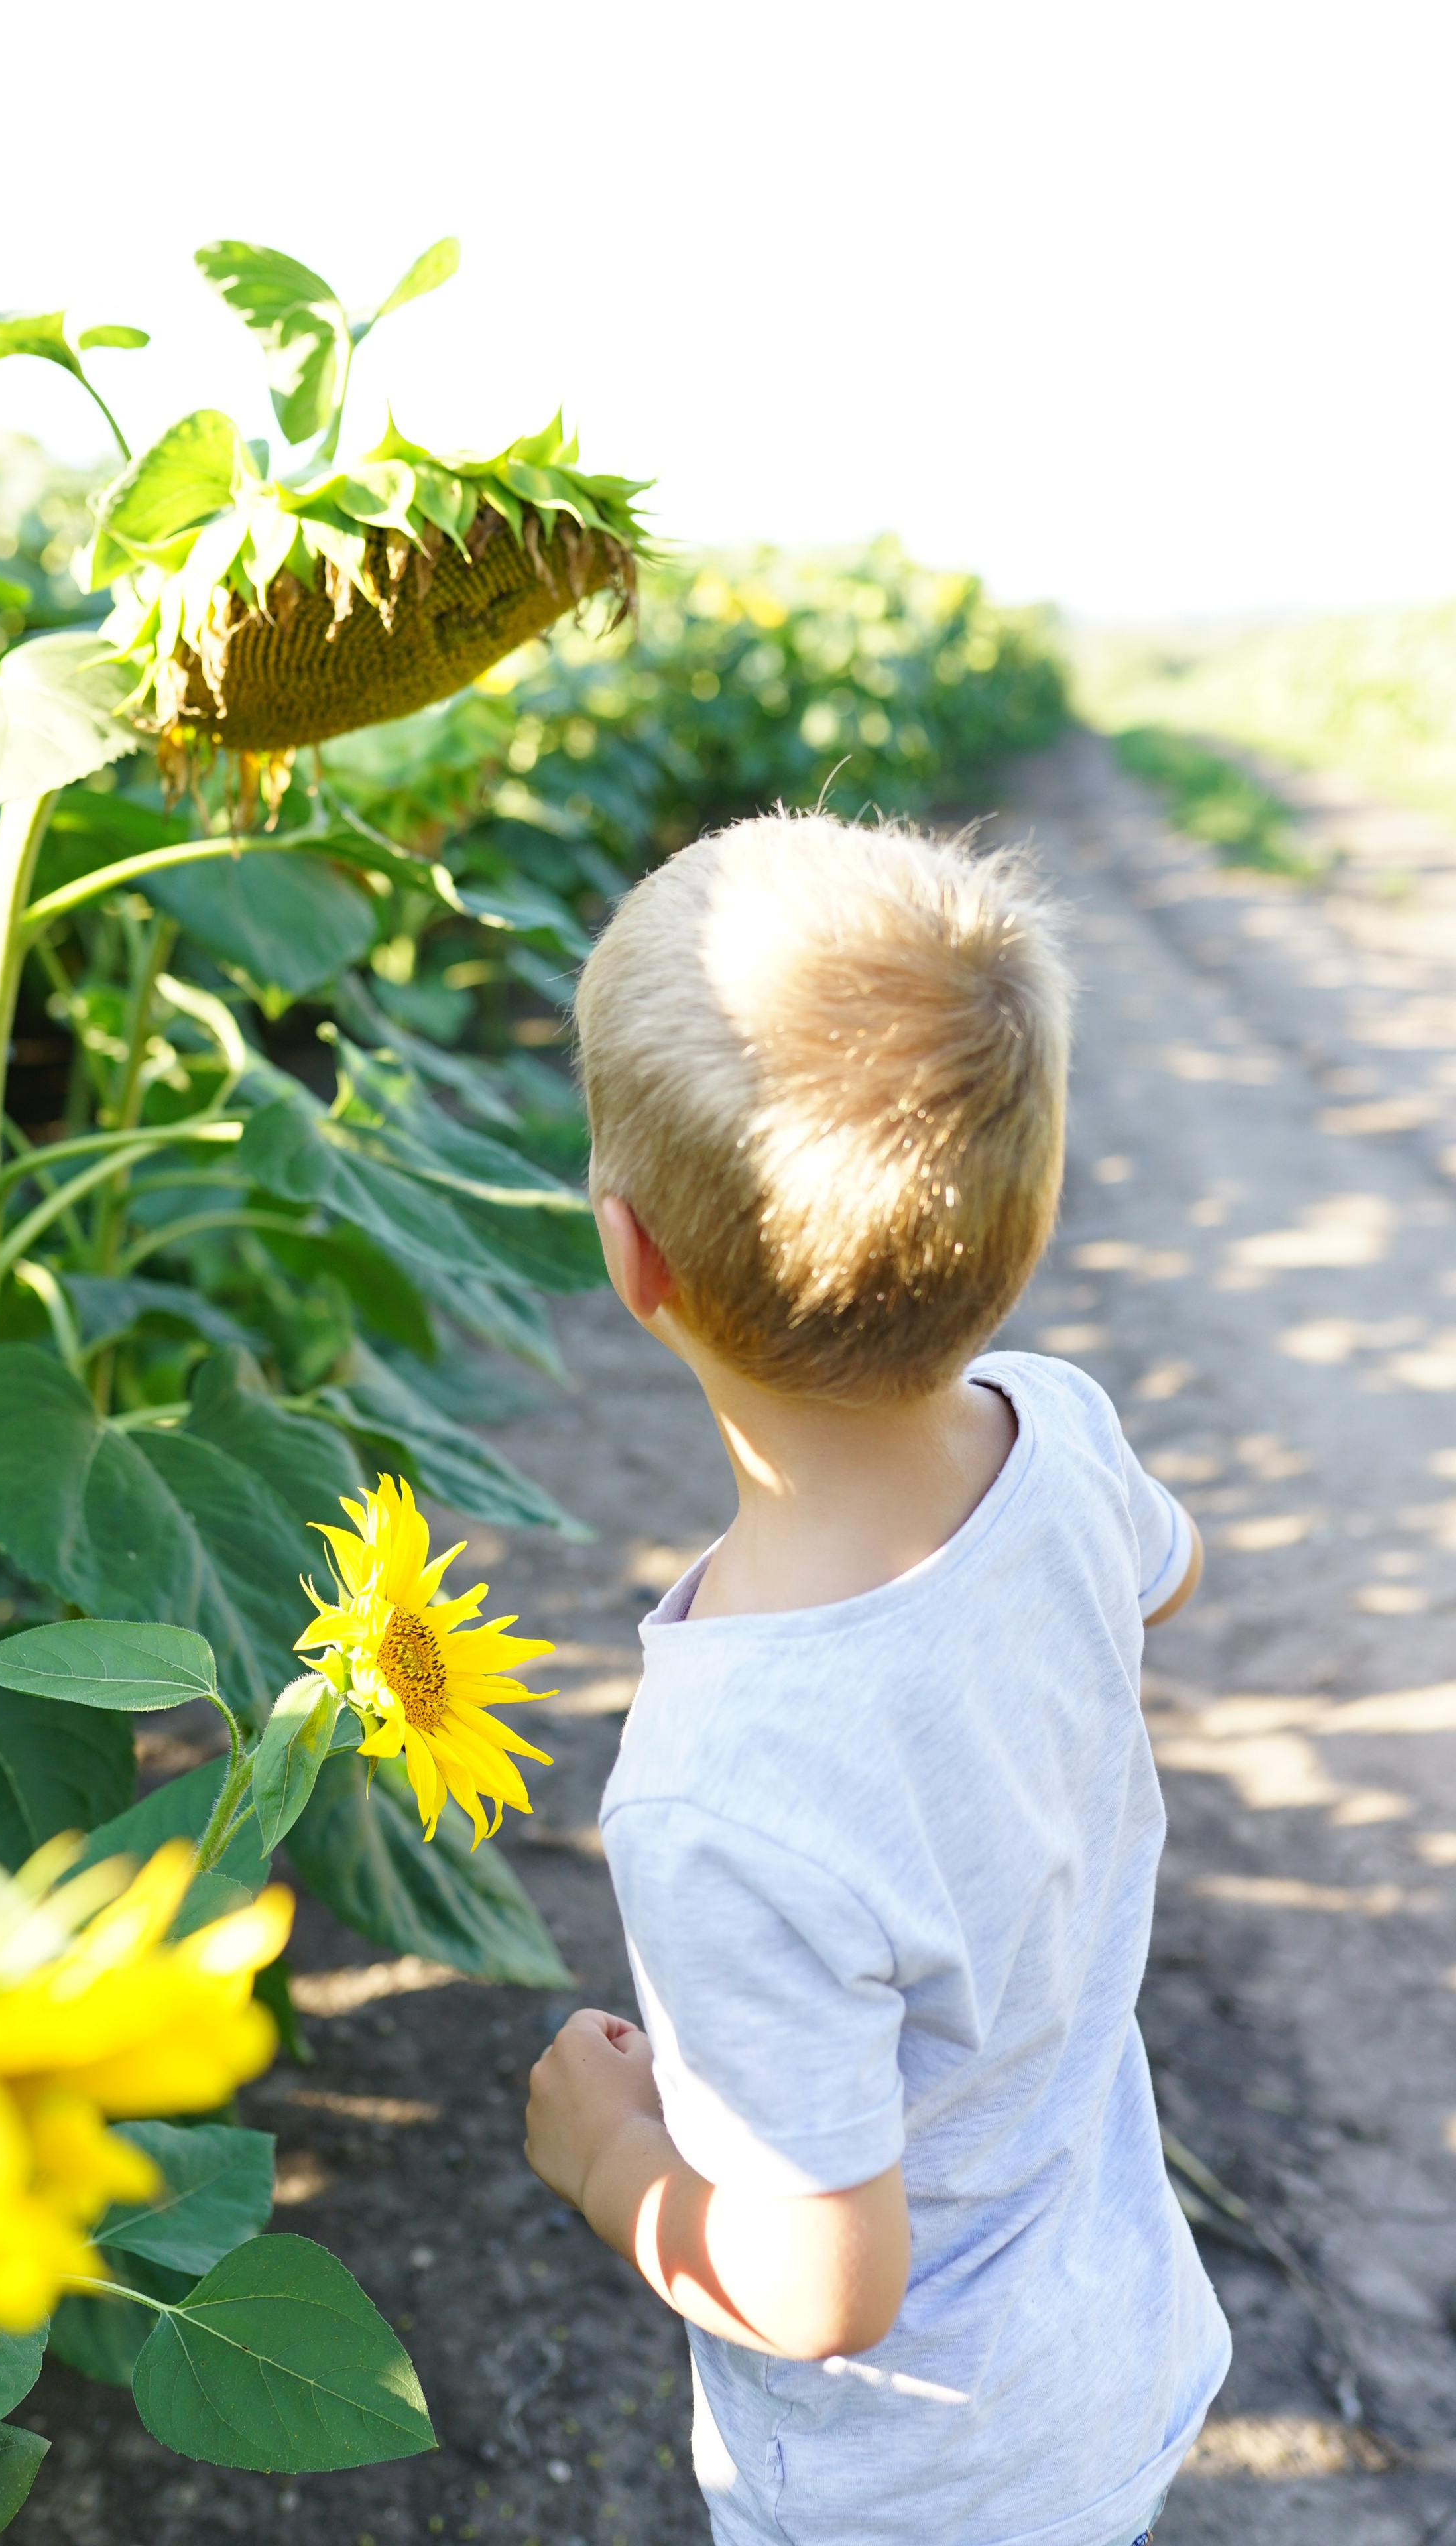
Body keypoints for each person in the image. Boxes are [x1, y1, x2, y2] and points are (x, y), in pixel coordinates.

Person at [524, 812, 1229, 2546]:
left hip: (913, 2484)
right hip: (1108, 2322)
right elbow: (1171, 1566)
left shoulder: (718, 1791)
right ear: (1031, 1212)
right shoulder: (1057, 1431)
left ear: (636, 1262)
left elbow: (820, 2286)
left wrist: (609, 2157)